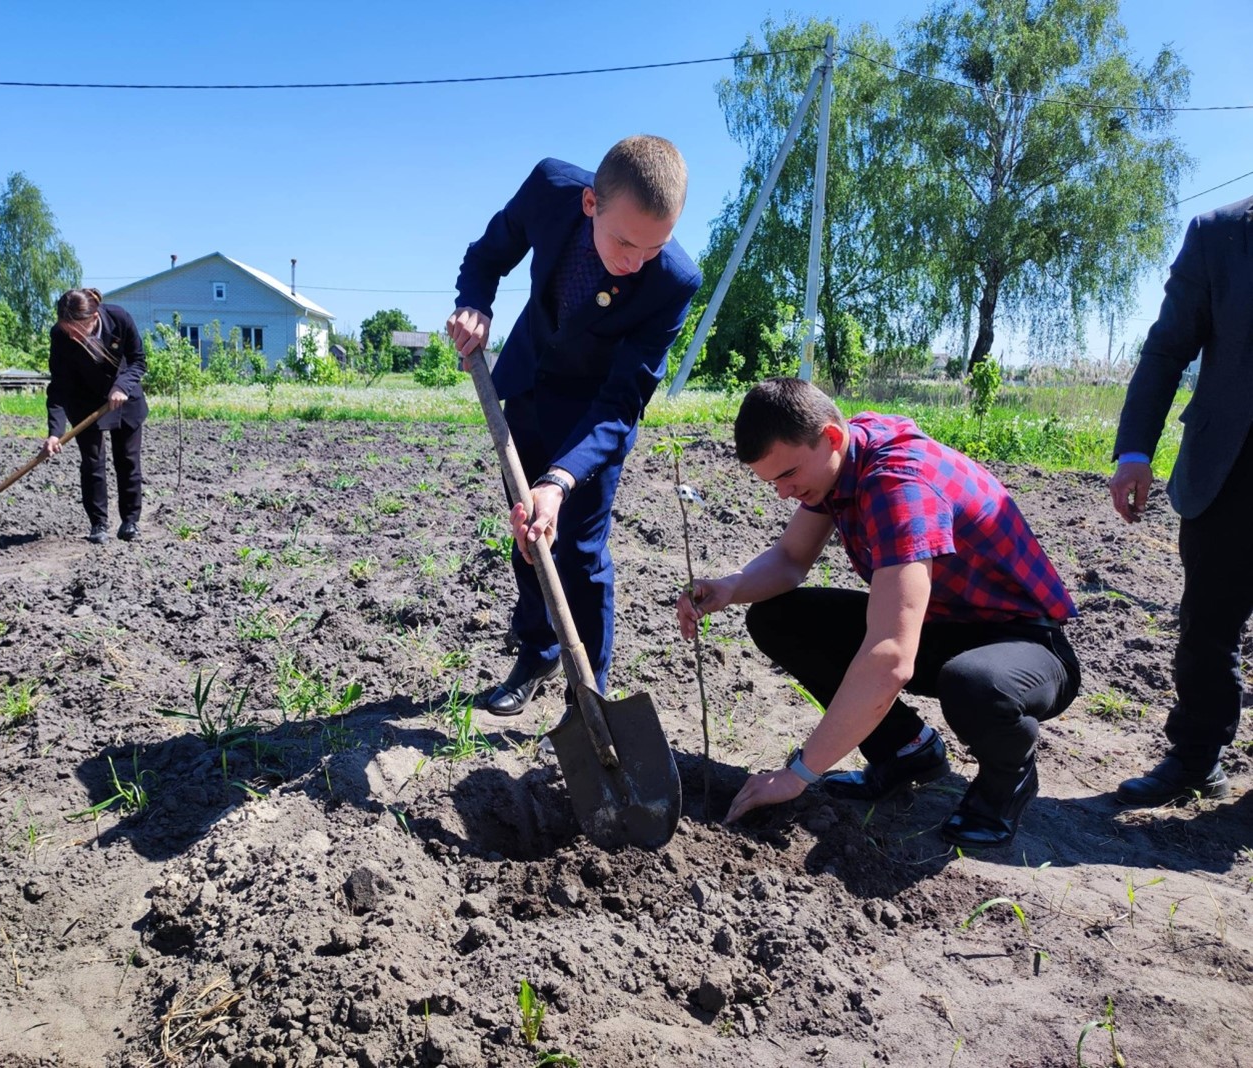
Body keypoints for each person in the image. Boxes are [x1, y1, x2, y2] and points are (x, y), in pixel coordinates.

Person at [678, 378, 1082, 849]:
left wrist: (798, 773)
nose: (783, 493)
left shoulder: (898, 486)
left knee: (974, 684)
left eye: (788, 475)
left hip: (1026, 646)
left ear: (830, 436)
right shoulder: (843, 459)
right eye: (773, 483)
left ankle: (1005, 782)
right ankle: (906, 751)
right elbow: (790, 560)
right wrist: (728, 589)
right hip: (946, 626)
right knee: (776, 618)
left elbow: (892, 656)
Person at [448, 135, 701, 714]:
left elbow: (622, 400)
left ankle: (589, 694)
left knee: (581, 554)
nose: (635, 262)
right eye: (623, 242)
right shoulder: (550, 189)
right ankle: (538, 650)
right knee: (526, 537)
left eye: (653, 247)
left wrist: (561, 480)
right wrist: (475, 306)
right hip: (529, 391)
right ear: (590, 203)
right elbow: (487, 256)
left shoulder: (673, 282)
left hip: (591, 427)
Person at [1108, 195, 1253, 806]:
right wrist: (1135, 449)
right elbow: (1168, 347)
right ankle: (1196, 759)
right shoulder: (1220, 234)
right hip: (1231, 470)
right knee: (1207, 628)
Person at [42, 288, 148, 544]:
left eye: (77, 330)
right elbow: (59, 386)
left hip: (125, 397)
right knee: (92, 464)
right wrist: (55, 433)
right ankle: (98, 524)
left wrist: (122, 387)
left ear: (94, 317)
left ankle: (130, 522)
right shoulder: (60, 336)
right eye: (67, 330)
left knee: (127, 461)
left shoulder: (119, 318)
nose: (73, 336)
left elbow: (138, 361)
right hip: (85, 402)